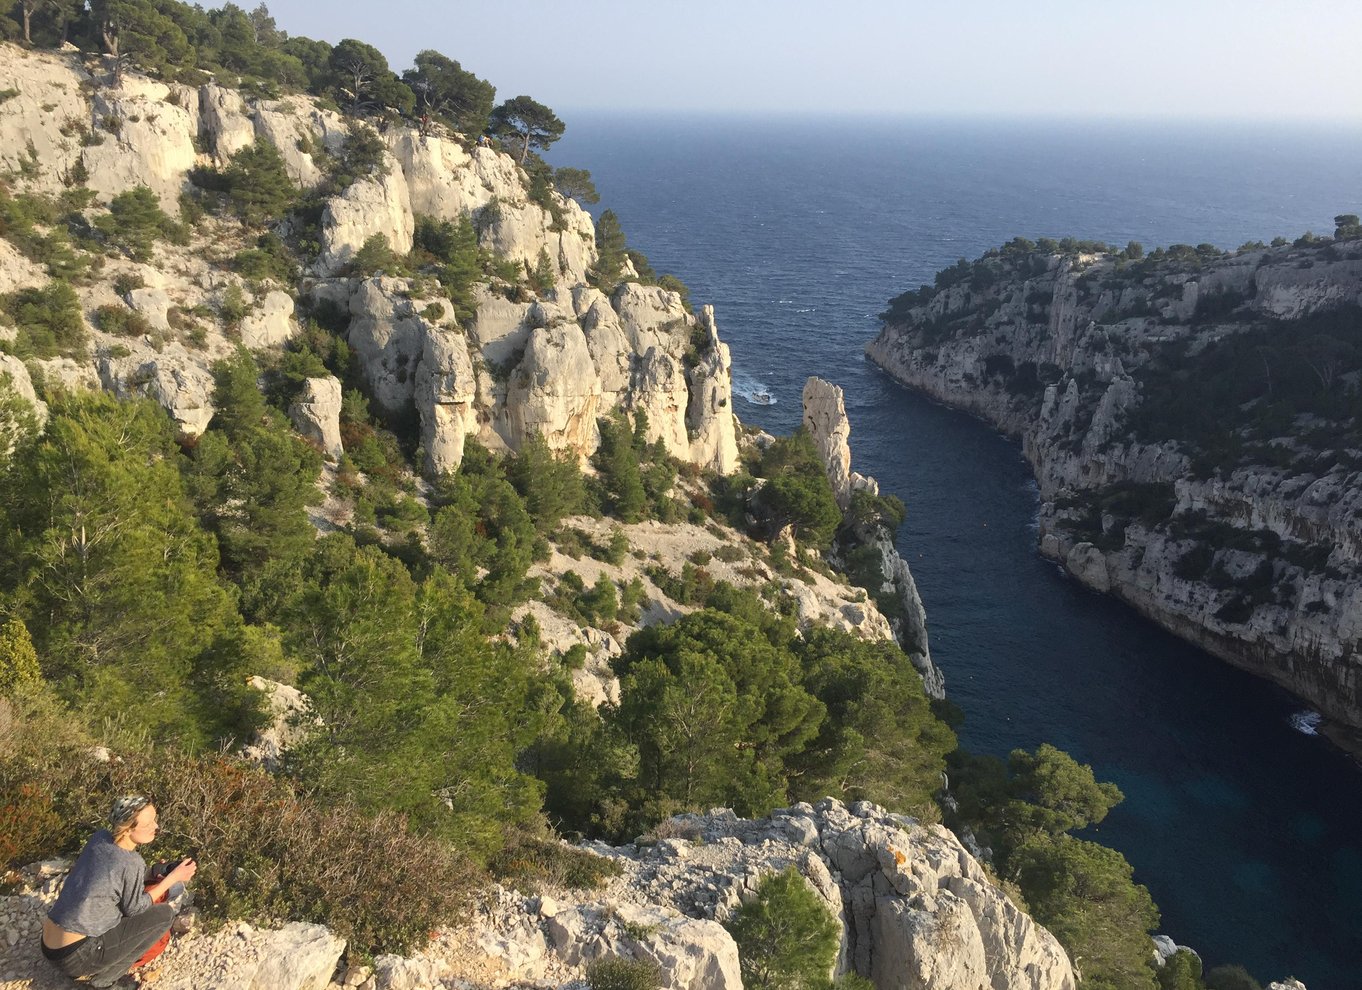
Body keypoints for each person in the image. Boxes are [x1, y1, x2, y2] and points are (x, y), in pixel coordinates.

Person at [40, 796, 197, 988]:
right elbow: (134, 909)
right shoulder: (132, 862)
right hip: (75, 957)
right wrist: (174, 878)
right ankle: (102, 982)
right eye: (148, 824)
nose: (156, 827)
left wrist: (159, 873)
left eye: (155, 820)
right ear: (128, 828)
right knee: (163, 915)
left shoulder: (100, 838)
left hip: (49, 946)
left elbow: (116, 879)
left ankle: (96, 971)